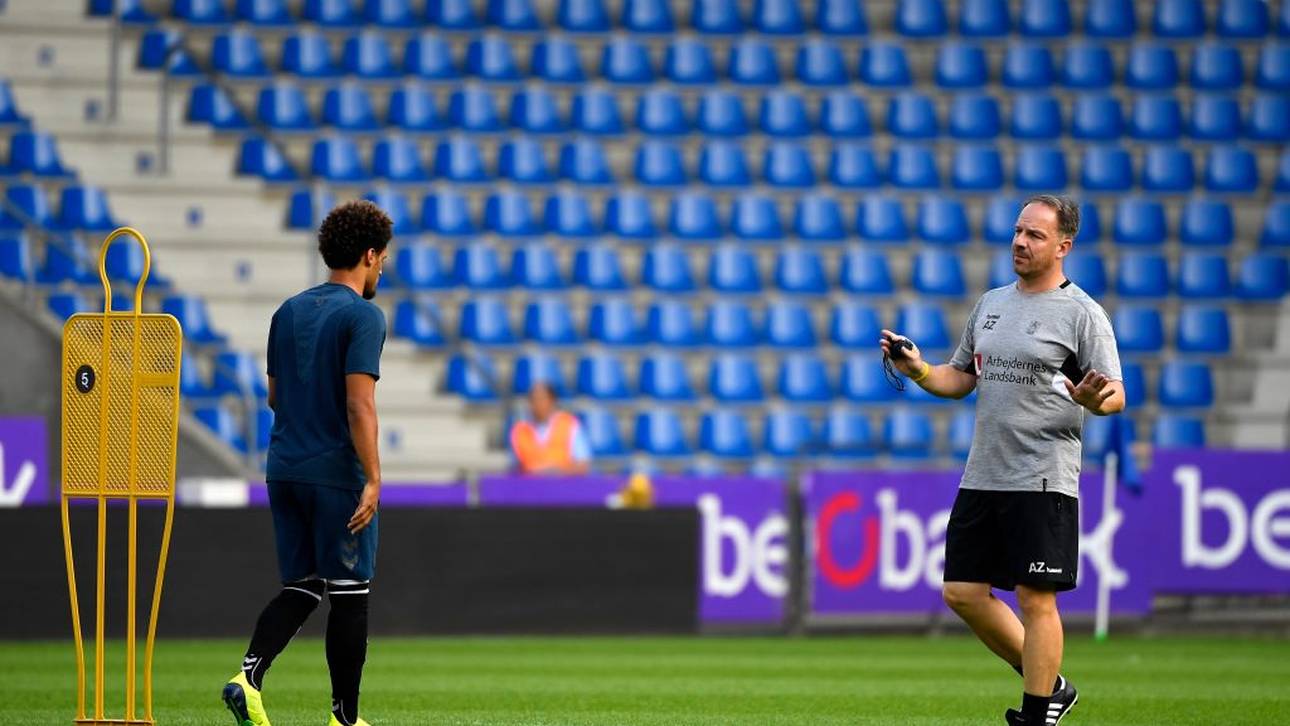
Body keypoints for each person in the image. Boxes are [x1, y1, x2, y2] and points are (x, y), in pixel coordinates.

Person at [880, 194, 1125, 726]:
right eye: (1018, 231)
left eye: (1035, 235)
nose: (1020, 241)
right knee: (962, 592)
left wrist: (1092, 400)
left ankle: (1037, 714)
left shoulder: (1083, 313)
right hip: (984, 472)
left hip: (1042, 476)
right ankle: (1052, 684)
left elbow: (1116, 396)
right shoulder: (991, 304)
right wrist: (919, 367)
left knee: (1036, 599)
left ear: (1063, 246)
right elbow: (961, 379)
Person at [223, 200, 392, 726]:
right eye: (382, 258)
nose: (382, 267)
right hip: (334, 473)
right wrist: (373, 477)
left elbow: (275, 396)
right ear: (368, 255)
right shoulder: (363, 316)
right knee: (350, 594)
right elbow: (359, 403)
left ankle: (246, 677)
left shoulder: (288, 311)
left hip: (284, 468)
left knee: (301, 586)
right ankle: (345, 719)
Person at [509, 382, 592, 475]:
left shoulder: (570, 424)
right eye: (533, 400)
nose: (537, 404)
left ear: (552, 401)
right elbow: (515, 468)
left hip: (563, 485)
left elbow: (582, 465)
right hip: (530, 487)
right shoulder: (519, 430)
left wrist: (556, 472)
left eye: (541, 399)